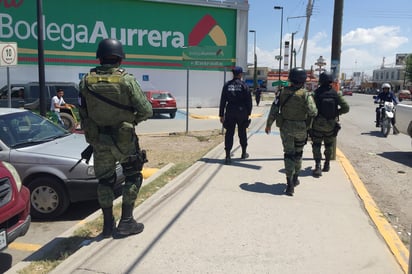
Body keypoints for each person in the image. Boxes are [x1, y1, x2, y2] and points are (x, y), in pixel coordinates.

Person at [78, 38, 153, 238]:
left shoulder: (85, 81)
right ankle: (126, 221)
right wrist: (130, 122)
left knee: (104, 181)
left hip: (99, 140)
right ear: (120, 59)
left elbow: (82, 113)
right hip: (124, 140)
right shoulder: (126, 80)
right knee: (133, 175)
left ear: (100, 58)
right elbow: (146, 111)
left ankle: (107, 225)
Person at [265, 67, 317, 196]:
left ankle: (289, 185)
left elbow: (274, 109)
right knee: (298, 153)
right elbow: (313, 112)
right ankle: (295, 178)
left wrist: (268, 125)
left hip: (286, 128)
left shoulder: (281, 92)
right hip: (301, 128)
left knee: (288, 154)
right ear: (303, 80)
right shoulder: (306, 94)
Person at [310, 72, 350, 177]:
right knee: (328, 144)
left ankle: (318, 166)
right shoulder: (336, 94)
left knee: (317, 145)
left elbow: (310, 109)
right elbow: (346, 108)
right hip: (331, 124)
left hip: (318, 123)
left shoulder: (315, 94)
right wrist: (336, 113)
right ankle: (327, 164)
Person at [219, 66, 252, 164]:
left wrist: (221, 115)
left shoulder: (227, 85)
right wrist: (248, 113)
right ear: (240, 74)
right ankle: (243, 152)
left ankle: (228, 155)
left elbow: (223, 101)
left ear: (233, 74)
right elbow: (248, 101)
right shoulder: (244, 85)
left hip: (230, 111)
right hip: (242, 112)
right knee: (242, 132)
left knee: (229, 133)